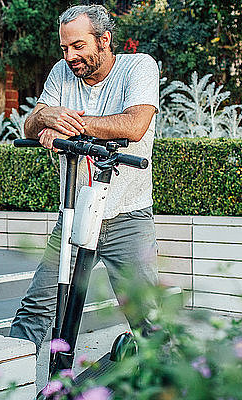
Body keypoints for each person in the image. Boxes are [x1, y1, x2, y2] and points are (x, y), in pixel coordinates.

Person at [9, 5, 160, 352]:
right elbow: (30, 124)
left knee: (147, 318)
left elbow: (134, 126)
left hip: (128, 216)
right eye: (64, 48)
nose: (69, 56)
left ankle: (168, 384)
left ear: (104, 40)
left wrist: (66, 125)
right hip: (74, 217)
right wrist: (48, 117)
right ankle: (6, 384)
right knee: (35, 311)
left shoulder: (138, 66)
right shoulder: (62, 72)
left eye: (78, 46)